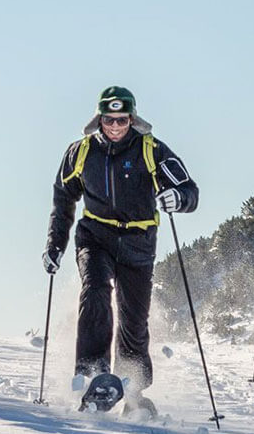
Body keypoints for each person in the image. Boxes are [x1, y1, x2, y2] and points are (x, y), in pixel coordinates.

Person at [45, 86, 199, 414]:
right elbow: (63, 198)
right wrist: (55, 245)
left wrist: (179, 199)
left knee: (133, 318)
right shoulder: (81, 152)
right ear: (99, 119)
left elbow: (188, 189)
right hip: (95, 237)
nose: (115, 127)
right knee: (96, 290)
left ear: (133, 118)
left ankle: (133, 390)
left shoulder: (152, 150)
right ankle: (92, 372)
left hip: (138, 241)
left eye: (122, 120)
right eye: (109, 120)